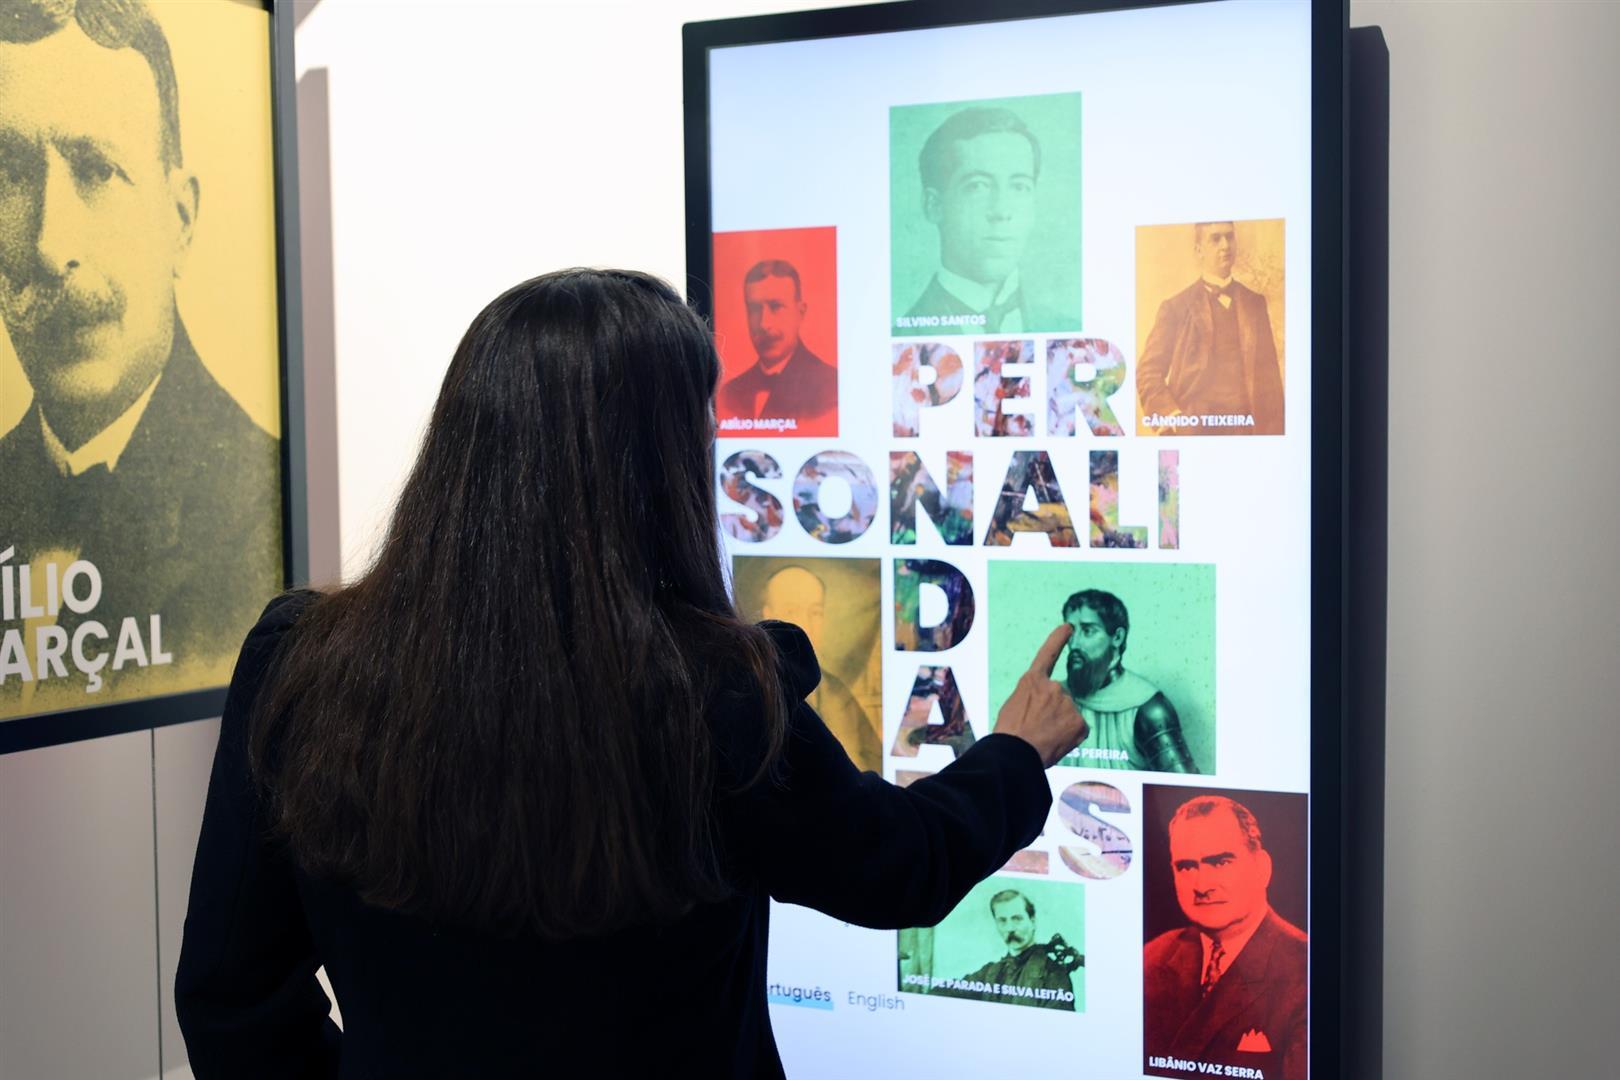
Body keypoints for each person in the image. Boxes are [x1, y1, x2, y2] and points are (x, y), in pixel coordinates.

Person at [174, 269, 1089, 1078]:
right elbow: (897, 867)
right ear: (659, 467)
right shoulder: (709, 697)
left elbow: (231, 999)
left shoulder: (303, 661)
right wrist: (1015, 752)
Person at [0, 0, 280, 706]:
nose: (49, 245)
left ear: (179, 220)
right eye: (11, 172)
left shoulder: (258, 514)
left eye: (97, 170)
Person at [1143, 796, 1307, 1080]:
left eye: (1220, 862)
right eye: (1186, 867)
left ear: (1262, 868)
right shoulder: (1152, 957)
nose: (1202, 885)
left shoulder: (1305, 971)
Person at [905, 105, 1074, 333]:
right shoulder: (903, 336)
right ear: (934, 206)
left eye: (1019, 187)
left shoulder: (1068, 328)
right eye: (977, 186)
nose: (1002, 211)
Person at [1136, 221, 1284, 435]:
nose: (1225, 245)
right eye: (1215, 239)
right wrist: (1174, 418)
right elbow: (1148, 372)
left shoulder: (1254, 303)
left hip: (1247, 431)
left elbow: (1270, 379)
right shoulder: (1176, 307)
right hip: (1195, 432)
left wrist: (1275, 436)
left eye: (1229, 237)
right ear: (1199, 250)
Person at [756, 565, 881, 772]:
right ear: (767, 614)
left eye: (815, 612)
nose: (806, 624)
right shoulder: (745, 693)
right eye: (792, 611)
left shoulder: (837, 692)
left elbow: (872, 760)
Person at [1061, 588, 1198, 772]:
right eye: (1071, 632)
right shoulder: (1053, 700)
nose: (1075, 643)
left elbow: (1180, 785)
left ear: (1117, 637)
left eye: (1088, 631)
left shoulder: (1149, 708)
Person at [715, 259, 836, 428]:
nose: (764, 324)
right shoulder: (728, 393)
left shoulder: (830, 388)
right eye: (755, 309)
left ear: (800, 312)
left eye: (776, 306)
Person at [934, 888, 1082, 1011]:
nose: (1010, 928)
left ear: (1032, 921)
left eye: (1017, 919)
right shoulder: (989, 972)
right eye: (1002, 921)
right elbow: (946, 991)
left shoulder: (1053, 973)